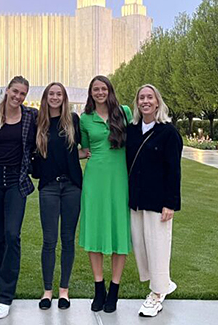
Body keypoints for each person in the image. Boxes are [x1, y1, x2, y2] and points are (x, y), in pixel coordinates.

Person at [0, 75, 38, 319]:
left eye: (22, 94)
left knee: (12, 234)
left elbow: (50, 130)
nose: (18, 97)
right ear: (7, 90)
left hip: (17, 180)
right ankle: (1, 287)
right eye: (15, 92)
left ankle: (6, 295)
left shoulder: (30, 117)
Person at [126, 84, 182, 317]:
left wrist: (170, 203)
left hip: (158, 201)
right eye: (142, 97)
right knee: (141, 246)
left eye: (150, 97)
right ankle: (163, 283)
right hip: (136, 200)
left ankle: (157, 294)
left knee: (158, 247)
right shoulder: (131, 130)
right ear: (137, 103)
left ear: (157, 102)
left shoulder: (168, 133)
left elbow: (173, 170)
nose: (146, 101)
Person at [79, 75, 132, 313]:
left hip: (120, 179)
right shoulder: (85, 118)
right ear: (91, 93)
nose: (99, 92)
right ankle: (99, 287)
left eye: (103, 88)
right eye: (95, 89)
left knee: (119, 231)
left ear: (110, 90)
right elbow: (82, 149)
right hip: (95, 179)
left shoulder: (125, 112)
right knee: (96, 230)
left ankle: (114, 290)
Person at [33, 82, 84, 310]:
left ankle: (64, 290)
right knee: (49, 241)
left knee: (68, 240)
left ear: (64, 98)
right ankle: (47, 291)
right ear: (46, 97)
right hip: (49, 188)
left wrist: (82, 154)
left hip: (72, 187)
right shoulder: (38, 123)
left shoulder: (73, 120)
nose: (55, 97)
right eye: (51, 94)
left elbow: (86, 145)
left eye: (59, 94)